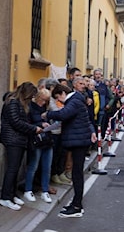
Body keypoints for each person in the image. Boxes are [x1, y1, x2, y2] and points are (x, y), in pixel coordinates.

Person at [43, 84, 97, 218]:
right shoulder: (78, 99)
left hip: (78, 141)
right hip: (80, 140)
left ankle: (77, 206)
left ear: (62, 93)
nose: (59, 101)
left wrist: (47, 114)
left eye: (58, 98)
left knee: (77, 174)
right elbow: (84, 120)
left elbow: (63, 114)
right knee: (76, 173)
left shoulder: (73, 101)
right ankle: (76, 203)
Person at [0, 82, 42, 211]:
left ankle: (12, 195)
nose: (31, 99)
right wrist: (33, 129)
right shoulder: (13, 103)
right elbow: (16, 122)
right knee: (12, 169)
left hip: (17, 139)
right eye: (31, 96)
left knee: (15, 169)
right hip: (13, 140)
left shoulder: (17, 103)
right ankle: (5, 197)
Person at [24, 88, 54, 203]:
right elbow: (28, 122)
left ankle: (45, 191)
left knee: (47, 167)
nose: (43, 102)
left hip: (47, 139)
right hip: (36, 139)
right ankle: (28, 189)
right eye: (42, 100)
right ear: (37, 97)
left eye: (46, 101)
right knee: (33, 166)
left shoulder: (45, 107)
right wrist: (41, 123)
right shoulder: (30, 106)